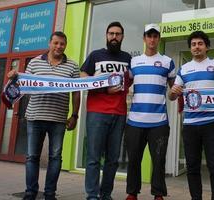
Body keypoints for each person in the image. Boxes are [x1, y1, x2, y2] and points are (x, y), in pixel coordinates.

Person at [7, 31, 80, 200]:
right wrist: (13, 77)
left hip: (58, 119)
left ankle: (49, 194)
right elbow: (23, 85)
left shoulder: (73, 66)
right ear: (49, 43)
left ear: (65, 45)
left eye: (62, 44)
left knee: (55, 158)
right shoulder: (34, 63)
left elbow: (76, 92)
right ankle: (30, 193)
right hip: (35, 116)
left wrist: (74, 115)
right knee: (32, 156)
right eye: (55, 43)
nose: (58, 47)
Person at [169, 31, 214, 200]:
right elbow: (172, 95)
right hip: (190, 125)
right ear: (190, 48)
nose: (196, 47)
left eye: (200, 44)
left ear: (207, 46)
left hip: (212, 124)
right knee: (192, 167)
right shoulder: (184, 69)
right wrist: (173, 91)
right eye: (193, 45)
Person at [80, 21, 131, 200]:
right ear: (106, 35)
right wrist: (104, 89)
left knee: (112, 159)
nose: (114, 37)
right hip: (97, 112)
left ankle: (106, 195)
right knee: (94, 158)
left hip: (119, 113)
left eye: (118, 34)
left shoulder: (128, 58)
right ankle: (92, 196)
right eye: (111, 33)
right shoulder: (95, 55)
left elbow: (132, 80)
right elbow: (83, 76)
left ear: (122, 37)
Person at [125, 24, 176, 200]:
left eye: (155, 36)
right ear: (144, 38)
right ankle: (132, 193)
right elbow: (123, 86)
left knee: (159, 161)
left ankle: (158, 194)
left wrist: (176, 94)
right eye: (149, 36)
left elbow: (173, 90)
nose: (152, 39)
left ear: (158, 39)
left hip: (159, 123)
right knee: (133, 160)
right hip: (134, 122)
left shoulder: (168, 62)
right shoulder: (133, 61)